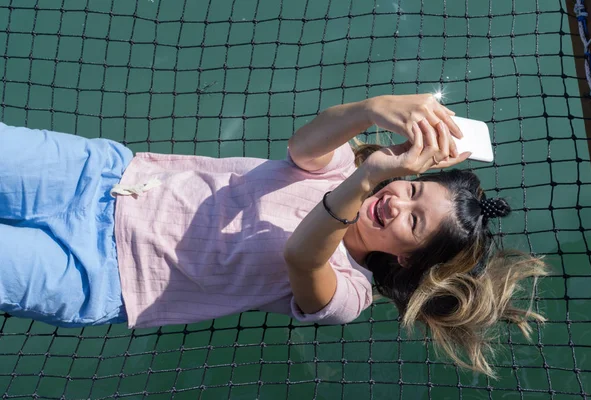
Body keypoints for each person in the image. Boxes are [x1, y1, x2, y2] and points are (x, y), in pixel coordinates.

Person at [0, 94, 546, 376]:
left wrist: (371, 176)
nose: (396, 202)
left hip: (99, 275)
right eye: (411, 190)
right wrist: (378, 108)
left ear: (407, 260)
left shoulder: (348, 295)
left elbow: (303, 255)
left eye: (413, 221)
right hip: (101, 175)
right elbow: (305, 143)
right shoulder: (341, 169)